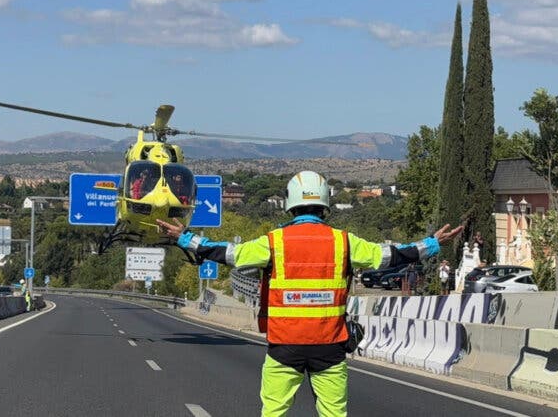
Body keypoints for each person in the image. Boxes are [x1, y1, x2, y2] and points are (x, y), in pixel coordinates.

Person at [157, 170, 462, 417]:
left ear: (290, 204)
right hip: (329, 346)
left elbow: (230, 254)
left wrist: (186, 238)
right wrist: (431, 244)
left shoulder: (273, 242)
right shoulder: (343, 242)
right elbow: (389, 256)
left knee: (274, 411)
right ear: (325, 204)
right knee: (333, 412)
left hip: (284, 345)